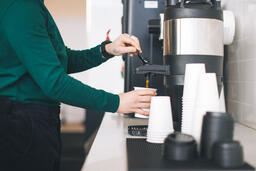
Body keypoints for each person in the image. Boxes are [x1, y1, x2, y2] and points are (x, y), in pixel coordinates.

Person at [0, 0, 156, 170]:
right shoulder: (22, 6)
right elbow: (55, 83)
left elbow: (60, 60)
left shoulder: (30, 6)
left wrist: (107, 50)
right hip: (23, 124)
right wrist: (116, 102)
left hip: (29, 119)